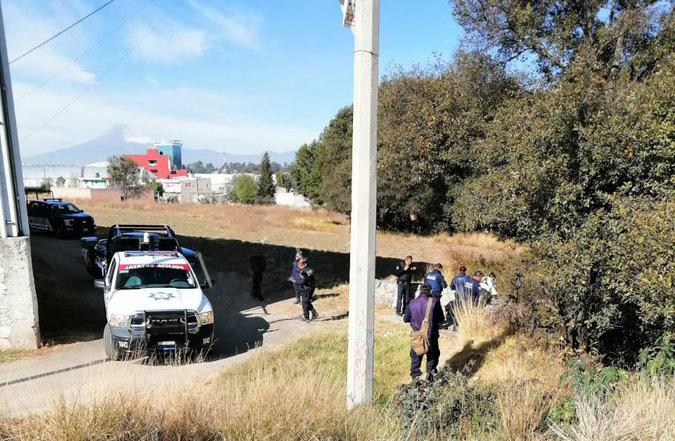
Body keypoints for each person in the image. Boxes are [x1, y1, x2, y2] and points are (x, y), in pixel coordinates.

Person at [404, 284, 445, 382]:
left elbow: (406, 319)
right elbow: (441, 319)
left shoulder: (412, 303)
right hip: (431, 335)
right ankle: (430, 379)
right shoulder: (434, 302)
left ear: (420, 290)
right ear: (430, 291)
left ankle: (416, 382)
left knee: (415, 359)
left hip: (417, 336)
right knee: (432, 357)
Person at [297, 257, 319, 322]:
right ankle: (314, 312)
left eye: (298, 264)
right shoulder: (309, 269)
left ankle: (306, 317)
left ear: (301, 264)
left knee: (304, 302)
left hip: (306, 288)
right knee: (306, 300)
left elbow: (303, 281)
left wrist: (298, 282)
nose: (297, 265)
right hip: (311, 287)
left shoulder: (303, 272)